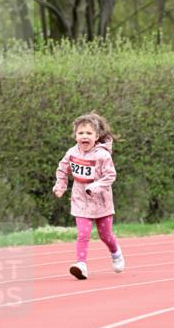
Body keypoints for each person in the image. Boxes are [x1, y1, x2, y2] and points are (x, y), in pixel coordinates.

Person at [53, 111, 124, 279]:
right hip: (80, 200)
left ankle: (116, 253)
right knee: (83, 235)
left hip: (101, 202)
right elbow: (63, 169)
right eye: (81, 133)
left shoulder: (103, 155)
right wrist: (60, 185)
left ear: (96, 136)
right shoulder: (72, 153)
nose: (84, 136)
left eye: (89, 133)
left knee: (105, 235)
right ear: (75, 135)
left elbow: (110, 176)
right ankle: (81, 265)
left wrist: (95, 186)